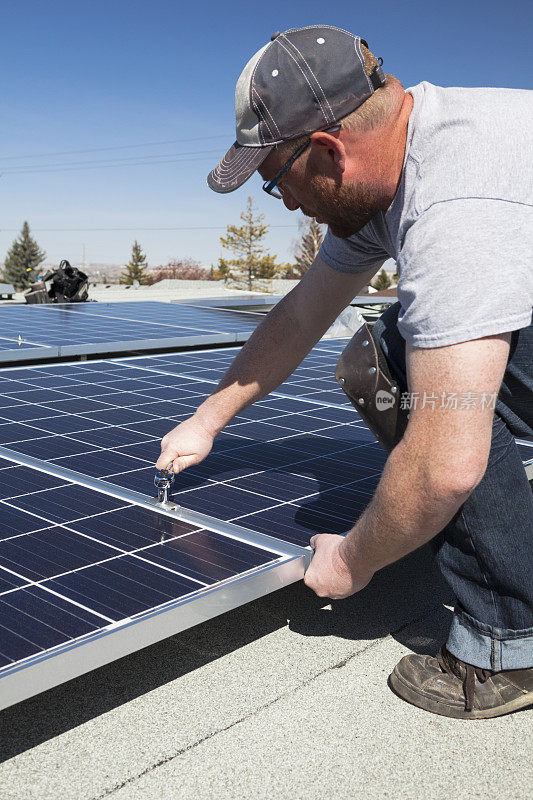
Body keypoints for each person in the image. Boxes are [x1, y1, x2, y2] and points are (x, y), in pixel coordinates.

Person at [157, 25, 533, 718]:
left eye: (276, 183)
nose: (288, 205)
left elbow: (445, 466)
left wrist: (350, 561)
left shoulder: (457, 207)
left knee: (418, 370)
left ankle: (507, 645)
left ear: (326, 150)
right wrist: (205, 421)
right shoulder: (397, 155)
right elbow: (303, 313)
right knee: (385, 352)